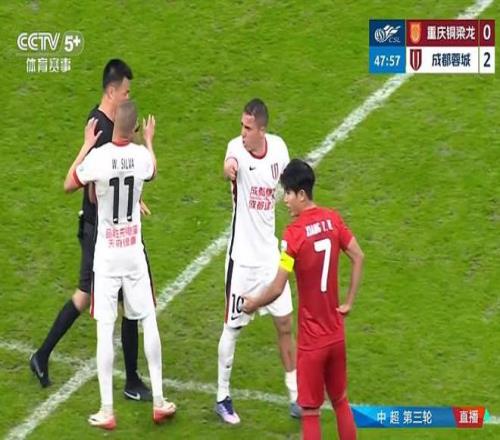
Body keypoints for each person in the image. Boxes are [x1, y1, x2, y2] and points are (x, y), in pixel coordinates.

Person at [30, 59, 152, 400]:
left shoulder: (111, 123)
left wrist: (134, 198)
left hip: (104, 225)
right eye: (126, 91)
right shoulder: (99, 128)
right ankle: (131, 381)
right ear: (111, 90)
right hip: (100, 229)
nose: (129, 97)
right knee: (123, 299)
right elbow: (84, 183)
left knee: (88, 295)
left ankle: (41, 356)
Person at [64, 101, 176, 429]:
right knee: (148, 320)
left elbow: (69, 183)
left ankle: (107, 410)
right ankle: (159, 401)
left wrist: (86, 144)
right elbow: (153, 170)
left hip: (108, 255)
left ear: (114, 125)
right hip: (133, 252)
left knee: (105, 327)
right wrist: (150, 141)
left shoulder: (99, 157)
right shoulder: (141, 156)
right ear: (135, 127)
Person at [243, 159, 363, 440]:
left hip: (311, 342)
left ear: (301, 194)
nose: (284, 199)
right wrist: (348, 302)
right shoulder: (333, 219)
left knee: (310, 412)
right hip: (336, 334)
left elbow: (277, 287)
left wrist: (253, 304)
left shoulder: (293, 235)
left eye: (287, 193)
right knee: (341, 401)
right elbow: (359, 256)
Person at [215, 98, 300, 424]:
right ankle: (222, 397)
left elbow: (289, 187)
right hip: (241, 261)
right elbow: (228, 165)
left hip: (269, 258)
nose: (243, 132)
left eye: (248, 127)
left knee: (285, 323)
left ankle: (295, 394)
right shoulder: (236, 150)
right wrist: (228, 170)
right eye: (242, 125)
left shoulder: (278, 149)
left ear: (262, 130)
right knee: (233, 327)